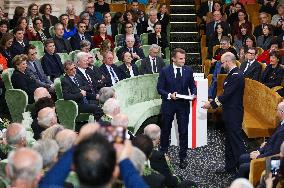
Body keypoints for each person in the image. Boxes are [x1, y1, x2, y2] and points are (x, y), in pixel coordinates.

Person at [202, 52, 246, 173]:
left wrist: (211, 104)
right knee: (229, 142)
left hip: (234, 114)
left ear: (228, 61)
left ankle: (245, 170)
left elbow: (226, 95)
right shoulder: (232, 74)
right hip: (229, 113)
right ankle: (230, 167)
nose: (221, 65)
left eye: (222, 62)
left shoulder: (236, 75)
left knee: (236, 143)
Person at [157, 48, 197, 169]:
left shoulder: (188, 70)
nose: (183, 61)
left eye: (184, 58)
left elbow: (192, 86)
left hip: (183, 105)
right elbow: (160, 88)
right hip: (169, 104)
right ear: (173, 58)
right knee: (165, 130)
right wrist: (169, 95)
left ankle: (183, 157)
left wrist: (194, 94)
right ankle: (163, 154)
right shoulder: (164, 71)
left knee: (183, 131)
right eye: (181, 58)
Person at [237, 101, 284, 179]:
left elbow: (275, 153)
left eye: (277, 109)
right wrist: (260, 150)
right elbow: (271, 141)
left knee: (243, 167)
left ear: (282, 113)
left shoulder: (282, 131)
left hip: (271, 160)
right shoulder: (282, 123)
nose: (275, 111)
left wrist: (259, 156)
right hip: (267, 151)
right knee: (242, 158)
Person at [143, 124, 197, 188]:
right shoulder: (157, 156)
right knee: (190, 184)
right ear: (158, 139)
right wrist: (168, 164)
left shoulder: (136, 148)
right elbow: (169, 182)